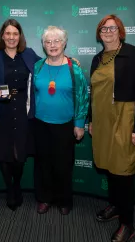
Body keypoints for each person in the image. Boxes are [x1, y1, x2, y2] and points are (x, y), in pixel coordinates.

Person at [89, 14, 135, 242]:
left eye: (112, 28)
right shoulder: (97, 59)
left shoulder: (132, 54)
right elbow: (93, 94)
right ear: (99, 33)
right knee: (109, 167)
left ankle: (128, 224)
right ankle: (115, 206)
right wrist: (91, 120)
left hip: (125, 121)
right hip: (103, 121)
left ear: (120, 31)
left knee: (123, 172)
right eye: (103, 29)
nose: (107, 32)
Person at [33, 26, 89, 215]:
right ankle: (44, 198)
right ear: (43, 45)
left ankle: (64, 200)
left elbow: (82, 97)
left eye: (56, 41)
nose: (52, 45)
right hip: (40, 123)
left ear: (64, 43)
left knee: (63, 165)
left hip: (65, 125)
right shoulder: (38, 66)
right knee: (43, 164)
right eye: (48, 42)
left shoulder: (75, 69)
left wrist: (79, 124)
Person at [0, 19, 41, 211]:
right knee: (4, 154)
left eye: (15, 34)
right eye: (8, 33)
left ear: (20, 36)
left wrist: (68, 61)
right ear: (2, 36)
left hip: (23, 108)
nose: (11, 37)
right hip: (2, 109)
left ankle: (16, 185)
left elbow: (46, 65)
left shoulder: (28, 54)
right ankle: (10, 189)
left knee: (19, 154)